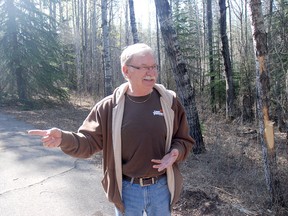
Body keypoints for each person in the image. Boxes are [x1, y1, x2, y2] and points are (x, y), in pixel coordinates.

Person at [28, 43, 194, 216]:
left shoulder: (169, 102)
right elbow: (88, 142)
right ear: (126, 71)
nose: (151, 73)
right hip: (127, 190)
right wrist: (64, 138)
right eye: (144, 67)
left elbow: (183, 139)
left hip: (161, 187)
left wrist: (176, 151)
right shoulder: (108, 107)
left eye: (154, 67)